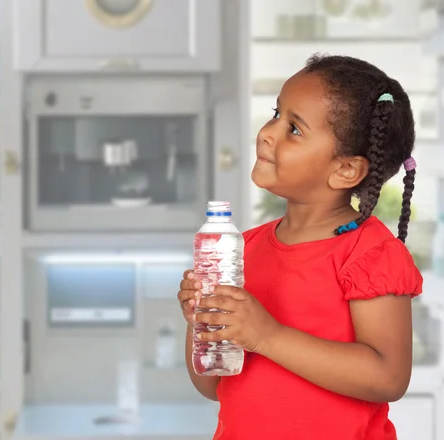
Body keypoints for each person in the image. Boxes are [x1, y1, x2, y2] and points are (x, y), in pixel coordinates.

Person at [177, 54, 423, 440]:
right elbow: (212, 387)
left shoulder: (371, 255)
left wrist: (267, 336)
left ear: (345, 170)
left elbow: (388, 377)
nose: (267, 132)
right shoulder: (244, 249)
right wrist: (201, 326)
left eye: (294, 128)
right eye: (276, 113)